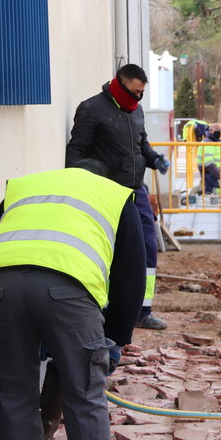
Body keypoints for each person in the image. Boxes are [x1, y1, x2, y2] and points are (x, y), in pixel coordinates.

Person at [0, 160, 146, 440]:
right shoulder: (115, 196)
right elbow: (131, 278)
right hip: (69, 289)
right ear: (101, 176)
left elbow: (2, 243)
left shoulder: (22, 188)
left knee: (15, 393)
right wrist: (115, 340)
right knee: (85, 393)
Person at [66, 64, 169, 330]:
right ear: (119, 85)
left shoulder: (136, 111)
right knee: (110, 252)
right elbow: (76, 151)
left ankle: (143, 311)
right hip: (107, 193)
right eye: (135, 92)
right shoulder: (92, 109)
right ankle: (105, 310)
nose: (138, 98)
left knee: (147, 247)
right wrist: (79, 186)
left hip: (137, 191)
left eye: (142, 93)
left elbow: (141, 144)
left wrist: (155, 159)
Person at [197, 123, 221, 198]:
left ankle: (210, 190)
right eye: (216, 130)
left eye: (220, 130)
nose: (219, 132)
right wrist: (220, 178)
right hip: (208, 173)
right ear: (210, 131)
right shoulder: (207, 143)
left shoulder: (216, 142)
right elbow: (208, 164)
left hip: (216, 172)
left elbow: (220, 163)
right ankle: (209, 191)